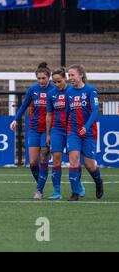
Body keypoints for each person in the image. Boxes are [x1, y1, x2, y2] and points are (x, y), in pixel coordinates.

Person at [10, 62, 55, 199]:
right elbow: (24, 106)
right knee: (33, 162)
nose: (41, 81)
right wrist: (15, 119)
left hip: (48, 129)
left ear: (49, 77)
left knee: (43, 160)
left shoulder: (54, 90)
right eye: (39, 78)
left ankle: (39, 191)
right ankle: (41, 183)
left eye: (44, 78)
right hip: (34, 128)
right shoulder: (33, 89)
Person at [46, 68, 85, 200]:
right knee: (56, 158)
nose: (56, 84)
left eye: (59, 81)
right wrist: (48, 134)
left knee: (74, 159)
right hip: (56, 130)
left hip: (71, 129)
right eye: (54, 82)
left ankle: (78, 184)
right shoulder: (51, 94)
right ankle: (56, 191)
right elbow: (49, 115)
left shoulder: (72, 91)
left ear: (65, 79)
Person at [65, 64, 103, 201]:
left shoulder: (90, 90)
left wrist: (86, 127)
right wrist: (66, 130)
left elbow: (94, 111)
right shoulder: (68, 91)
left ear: (81, 75)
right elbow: (67, 112)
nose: (70, 78)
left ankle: (99, 182)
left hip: (88, 132)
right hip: (73, 131)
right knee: (73, 160)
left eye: (72, 75)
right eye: (69, 75)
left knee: (89, 164)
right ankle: (75, 193)